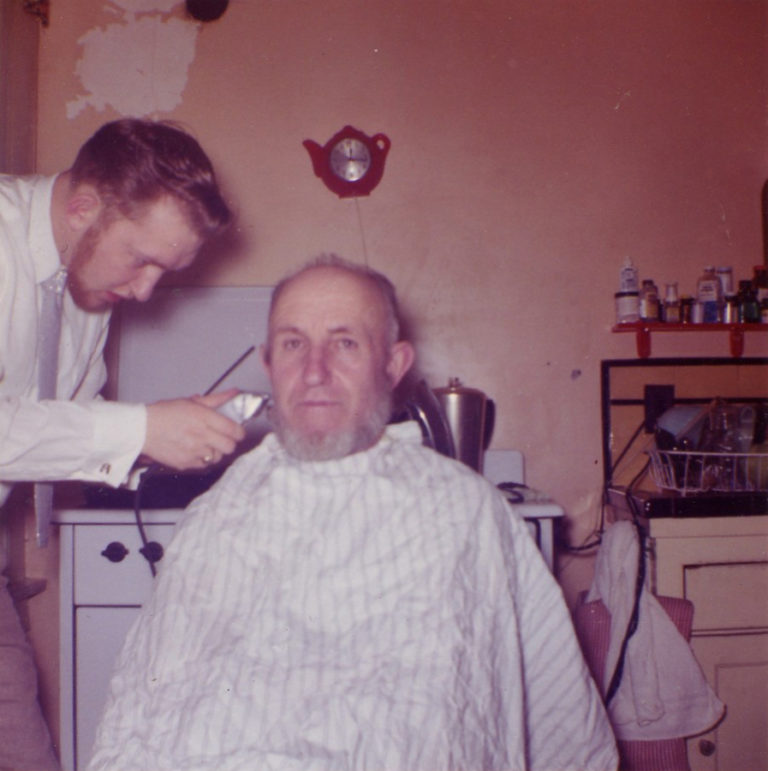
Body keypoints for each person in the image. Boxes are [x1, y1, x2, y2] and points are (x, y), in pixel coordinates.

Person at [88, 255, 618, 771]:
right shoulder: (216, 517)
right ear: (268, 364)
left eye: (344, 343)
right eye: (294, 344)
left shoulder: (463, 512)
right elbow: (142, 716)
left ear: (393, 365)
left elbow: (554, 725)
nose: (314, 371)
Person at [0, 118, 249, 770]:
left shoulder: (85, 278)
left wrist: (170, 432)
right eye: (141, 259)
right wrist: (141, 427)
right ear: (83, 208)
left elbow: (67, 423)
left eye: (163, 272)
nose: (143, 291)